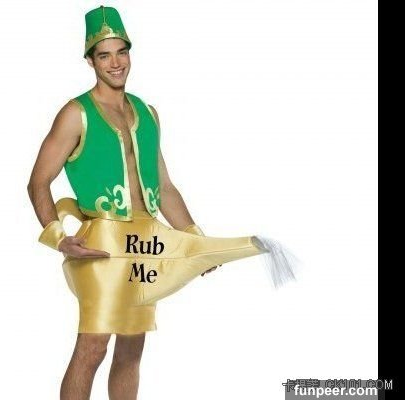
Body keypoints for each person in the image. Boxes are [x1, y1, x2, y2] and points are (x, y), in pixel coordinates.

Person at [27, 5, 297, 400]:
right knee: (93, 346)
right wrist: (58, 237)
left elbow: (165, 188)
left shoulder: (148, 114)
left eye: (121, 52)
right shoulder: (75, 114)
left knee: (132, 350)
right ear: (90, 61)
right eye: (104, 55)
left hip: (146, 242)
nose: (115, 63)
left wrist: (194, 240)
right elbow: (38, 181)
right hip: (101, 244)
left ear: (130, 53)